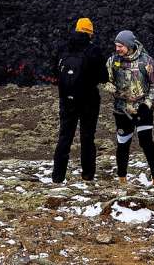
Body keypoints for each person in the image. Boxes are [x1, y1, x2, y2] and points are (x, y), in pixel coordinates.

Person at [103, 30, 154, 186]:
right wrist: (112, 88)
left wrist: (147, 103)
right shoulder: (112, 61)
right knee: (123, 144)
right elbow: (105, 80)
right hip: (121, 110)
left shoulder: (146, 61)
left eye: (121, 46)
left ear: (129, 45)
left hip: (142, 109)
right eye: (116, 46)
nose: (117, 49)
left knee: (146, 142)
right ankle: (122, 178)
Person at [52, 17, 108, 183]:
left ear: (76, 29)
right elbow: (103, 77)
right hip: (89, 101)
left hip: (67, 99)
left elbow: (55, 72)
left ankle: (57, 176)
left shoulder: (63, 48)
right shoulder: (94, 51)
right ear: (90, 33)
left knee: (64, 137)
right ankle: (87, 174)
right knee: (87, 137)